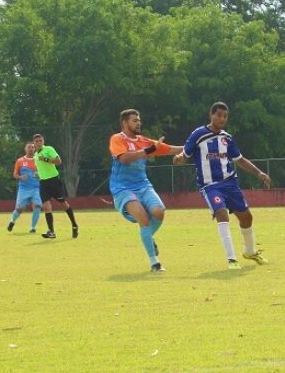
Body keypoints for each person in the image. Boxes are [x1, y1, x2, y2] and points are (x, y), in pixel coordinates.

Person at [173, 101, 271, 270]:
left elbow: (239, 160)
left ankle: (250, 251)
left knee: (246, 217)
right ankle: (232, 259)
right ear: (211, 115)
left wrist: (259, 173)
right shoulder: (198, 134)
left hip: (230, 183)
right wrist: (179, 158)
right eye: (218, 115)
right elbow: (185, 153)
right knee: (221, 213)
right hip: (210, 185)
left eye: (225, 116)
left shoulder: (227, 138)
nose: (221, 118)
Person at [110, 109, 184, 273]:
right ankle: (155, 263)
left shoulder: (143, 140)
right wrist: (148, 151)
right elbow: (124, 158)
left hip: (143, 185)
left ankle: (148, 238)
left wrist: (193, 146)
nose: (139, 123)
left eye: (139, 120)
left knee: (159, 212)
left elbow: (170, 149)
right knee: (143, 217)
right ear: (125, 123)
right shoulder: (117, 138)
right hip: (122, 189)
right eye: (134, 120)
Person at [33, 133, 79, 239]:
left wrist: (45, 159)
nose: (39, 143)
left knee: (63, 204)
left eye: (40, 141)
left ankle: (74, 224)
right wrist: (37, 173)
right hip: (43, 183)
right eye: (37, 141)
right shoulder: (35, 155)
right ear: (34, 143)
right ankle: (51, 232)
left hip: (54, 181)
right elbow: (39, 167)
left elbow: (58, 161)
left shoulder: (48, 149)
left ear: (43, 141)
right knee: (46, 206)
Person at [7, 141, 42, 233]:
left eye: (32, 147)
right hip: (24, 188)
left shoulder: (38, 159)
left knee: (37, 206)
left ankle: (33, 227)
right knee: (20, 208)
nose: (31, 149)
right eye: (29, 147)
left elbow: (43, 172)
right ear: (25, 149)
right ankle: (12, 221)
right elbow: (14, 174)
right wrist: (20, 177)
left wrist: (39, 174)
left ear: (35, 149)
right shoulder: (20, 161)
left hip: (36, 188)